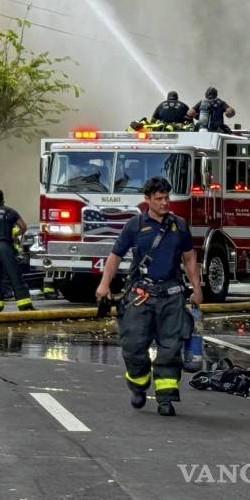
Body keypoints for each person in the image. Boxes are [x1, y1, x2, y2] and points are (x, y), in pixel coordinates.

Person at [95, 176, 204, 416]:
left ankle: (165, 398)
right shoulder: (135, 225)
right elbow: (115, 256)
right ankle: (138, 384)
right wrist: (104, 285)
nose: (165, 202)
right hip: (140, 295)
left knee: (171, 348)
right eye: (159, 198)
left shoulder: (180, 226)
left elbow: (189, 257)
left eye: (167, 197)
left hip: (172, 295)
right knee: (133, 344)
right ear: (147, 199)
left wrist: (197, 288)